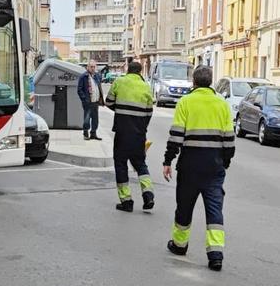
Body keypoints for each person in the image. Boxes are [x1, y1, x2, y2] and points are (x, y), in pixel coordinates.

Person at [163, 65, 234, 272]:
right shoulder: (222, 104)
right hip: (214, 167)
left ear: (194, 82)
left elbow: (176, 135)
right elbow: (229, 140)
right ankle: (215, 254)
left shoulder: (186, 102)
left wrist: (168, 161)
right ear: (210, 81)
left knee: (184, 207)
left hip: (189, 167)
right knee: (214, 211)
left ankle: (179, 245)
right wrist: (225, 162)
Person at [105, 61, 154, 212]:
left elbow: (108, 102)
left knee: (121, 164)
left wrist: (120, 111)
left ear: (128, 70)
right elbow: (149, 112)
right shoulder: (146, 86)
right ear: (140, 72)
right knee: (140, 164)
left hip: (122, 132)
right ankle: (148, 194)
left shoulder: (119, 82)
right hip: (139, 134)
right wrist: (141, 126)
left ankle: (126, 201)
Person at [77, 60, 104, 140]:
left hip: (95, 101)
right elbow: (79, 89)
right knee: (87, 118)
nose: (93, 68)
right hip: (87, 102)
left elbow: (98, 87)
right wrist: (84, 99)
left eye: (94, 67)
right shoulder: (83, 76)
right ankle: (85, 133)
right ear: (87, 67)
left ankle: (93, 133)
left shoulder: (97, 76)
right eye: (91, 67)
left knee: (95, 119)